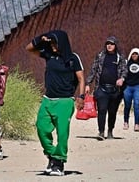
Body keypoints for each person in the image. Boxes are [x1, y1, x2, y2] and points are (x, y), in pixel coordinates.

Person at [26, 30, 84, 176]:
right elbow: (29, 48)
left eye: (54, 43)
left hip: (65, 100)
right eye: (51, 43)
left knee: (62, 133)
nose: (52, 46)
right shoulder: (48, 54)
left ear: (62, 43)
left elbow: (81, 78)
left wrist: (81, 96)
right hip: (48, 99)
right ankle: (53, 156)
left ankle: (58, 163)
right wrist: (41, 38)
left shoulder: (72, 58)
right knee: (41, 127)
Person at [85, 36, 127, 140]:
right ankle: (101, 131)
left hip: (114, 90)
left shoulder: (120, 57)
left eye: (112, 44)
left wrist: (122, 78)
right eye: (108, 43)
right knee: (102, 110)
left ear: (115, 45)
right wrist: (88, 83)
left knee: (112, 111)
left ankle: (110, 131)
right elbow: (93, 70)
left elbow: (124, 70)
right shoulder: (100, 56)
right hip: (101, 88)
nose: (109, 45)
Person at [123, 48, 139, 132]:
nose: (134, 56)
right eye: (133, 54)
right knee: (127, 105)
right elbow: (123, 75)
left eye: (136, 54)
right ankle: (126, 122)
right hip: (127, 87)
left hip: (138, 87)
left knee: (136, 105)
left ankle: (136, 124)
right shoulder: (127, 64)